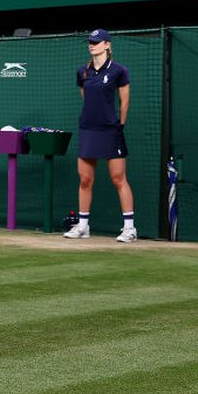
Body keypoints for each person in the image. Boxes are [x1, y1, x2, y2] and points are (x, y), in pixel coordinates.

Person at [64, 29, 137, 243]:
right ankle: (83, 226)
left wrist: (119, 126)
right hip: (88, 129)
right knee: (85, 180)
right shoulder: (82, 72)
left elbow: (124, 102)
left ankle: (130, 228)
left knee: (118, 179)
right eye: (90, 42)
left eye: (96, 42)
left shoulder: (119, 71)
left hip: (111, 131)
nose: (92, 45)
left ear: (107, 45)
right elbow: (86, 98)